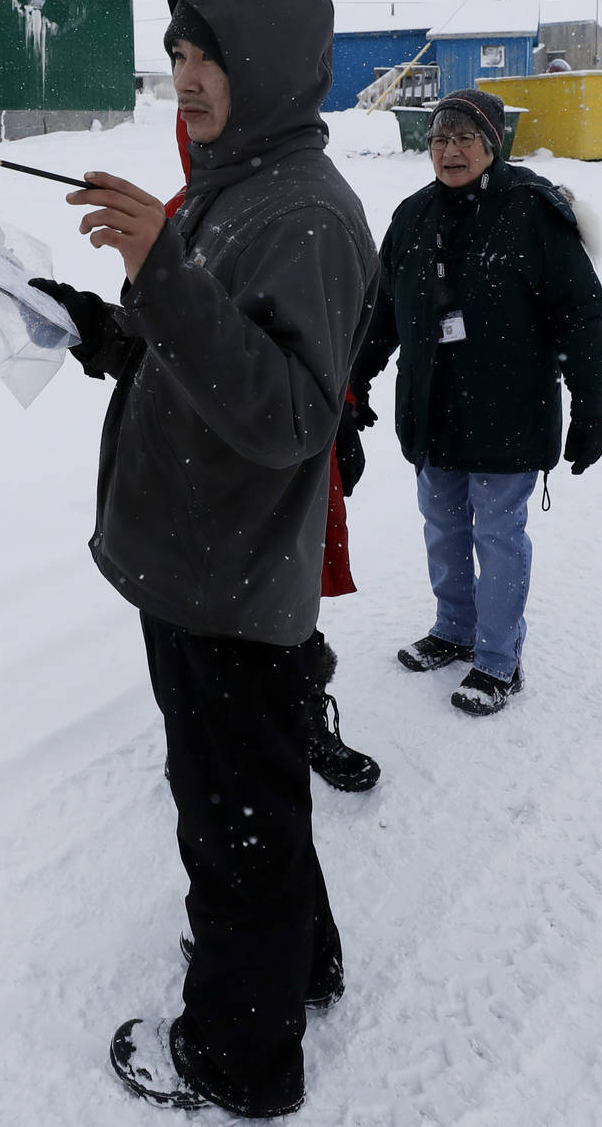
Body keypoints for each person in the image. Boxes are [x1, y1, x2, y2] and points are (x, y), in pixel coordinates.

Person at [28, 0, 379, 1119]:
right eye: (175, 55)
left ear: (265, 65)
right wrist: (104, 323)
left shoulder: (305, 215)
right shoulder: (232, 187)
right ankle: (297, 967)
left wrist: (161, 271)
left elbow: (287, 416)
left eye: (206, 57)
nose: (183, 78)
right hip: (191, 556)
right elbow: (191, 348)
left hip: (229, 578)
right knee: (250, 803)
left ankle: (238, 1056)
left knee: (231, 825)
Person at [348, 88, 602, 716]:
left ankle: (498, 659)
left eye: (466, 138)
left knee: (497, 532)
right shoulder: (413, 216)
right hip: (433, 407)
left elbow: (580, 312)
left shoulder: (531, 212)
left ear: (493, 145)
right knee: (442, 525)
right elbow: (382, 310)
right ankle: (454, 628)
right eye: (440, 138)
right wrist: (355, 379)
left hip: (508, 409)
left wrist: (590, 402)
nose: (451, 150)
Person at [161, 114, 381, 794]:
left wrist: (343, 412)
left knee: (288, 591)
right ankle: (210, 739)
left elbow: (310, 341)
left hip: (284, 451)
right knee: (205, 613)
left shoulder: (298, 211)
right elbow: (161, 346)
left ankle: (303, 718)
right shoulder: (178, 217)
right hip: (200, 458)